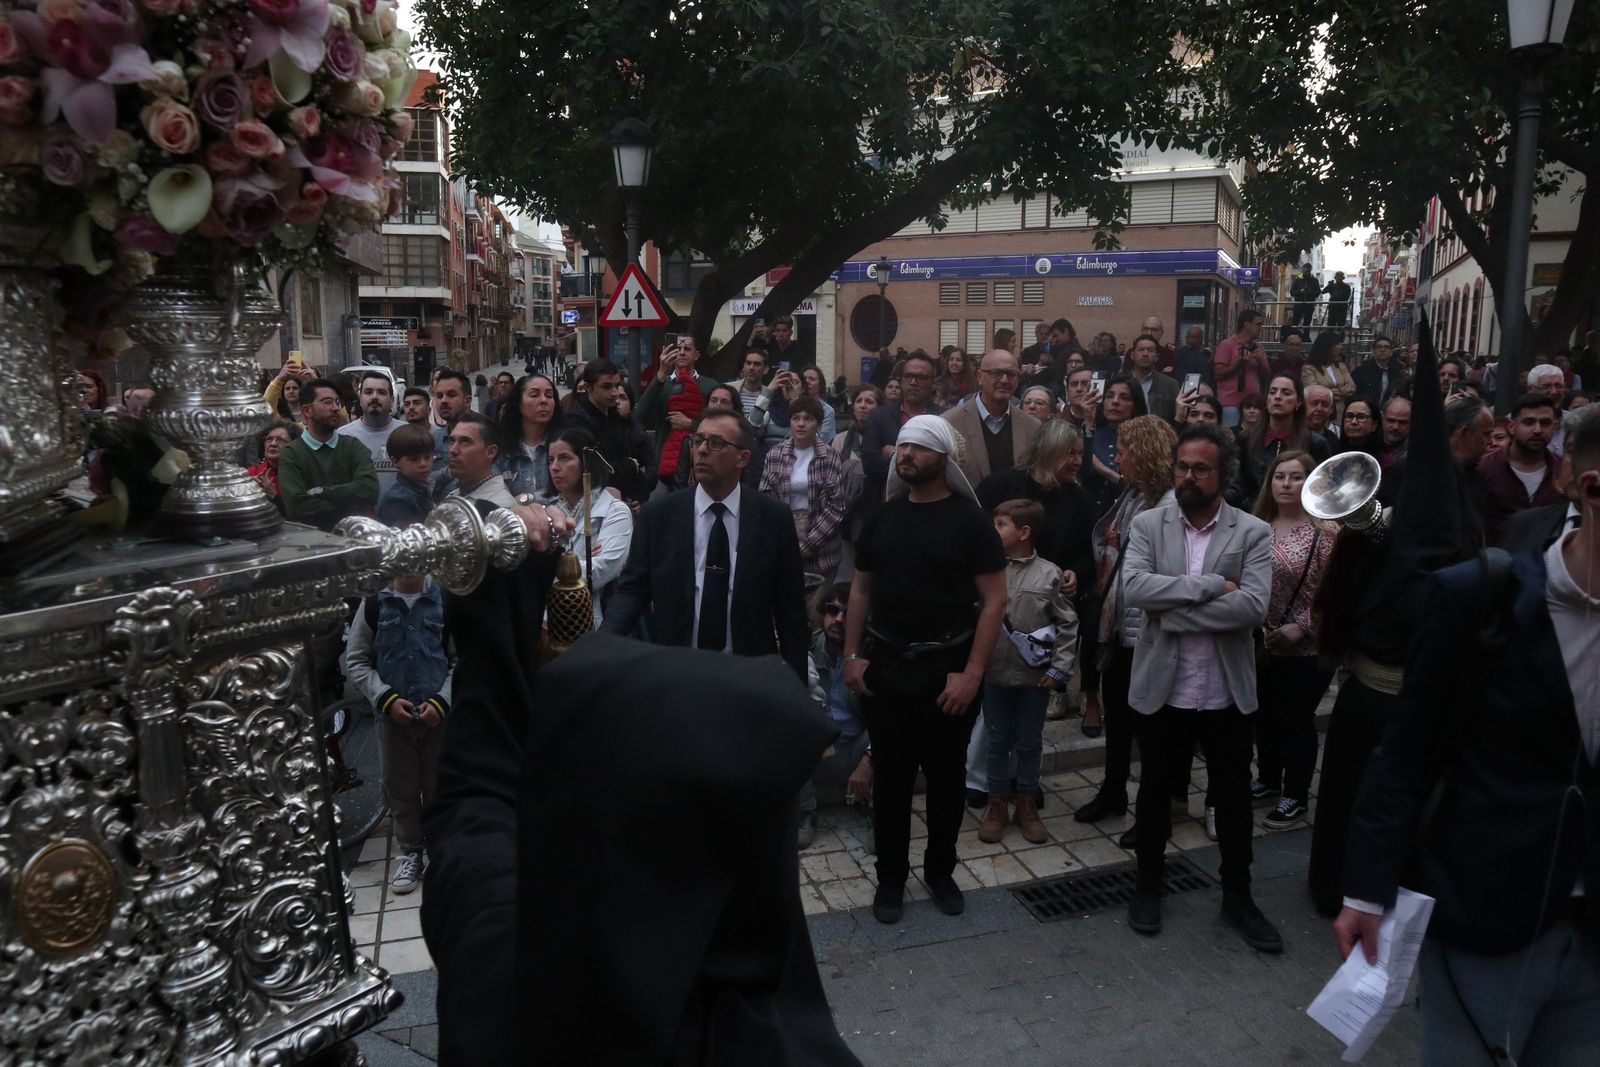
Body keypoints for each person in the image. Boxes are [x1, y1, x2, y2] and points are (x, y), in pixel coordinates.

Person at [1335, 405, 1600, 1067]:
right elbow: (1406, 747)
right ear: (1589, 489)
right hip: (1487, 922)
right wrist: (1367, 889)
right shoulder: (1479, 596)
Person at [1121, 422, 1281, 952]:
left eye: (1200, 469)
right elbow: (1136, 590)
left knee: (1233, 799)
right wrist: (1212, 587)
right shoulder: (1148, 525)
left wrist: (1174, 611)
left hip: (1224, 691)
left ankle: (1239, 896)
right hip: (1163, 687)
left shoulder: (1253, 531)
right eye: (1182, 467)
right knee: (1154, 795)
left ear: (1223, 475)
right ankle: (1148, 887)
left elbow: (1254, 607)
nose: (1188, 476)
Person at [842, 415, 1006, 924]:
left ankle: (940, 871)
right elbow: (861, 589)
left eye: (918, 448)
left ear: (942, 458)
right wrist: (851, 657)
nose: (905, 455)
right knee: (890, 780)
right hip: (886, 668)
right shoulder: (884, 517)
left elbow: (995, 600)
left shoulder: (969, 521)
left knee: (945, 779)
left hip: (947, 671)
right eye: (903, 447)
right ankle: (890, 878)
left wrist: (972, 674)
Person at [603, 409, 810, 681]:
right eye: (697, 440)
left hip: (749, 675)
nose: (701, 450)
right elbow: (633, 589)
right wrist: (603, 643)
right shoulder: (660, 516)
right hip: (676, 671)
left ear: (743, 458)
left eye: (716, 443)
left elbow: (790, 611)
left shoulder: (773, 518)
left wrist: (794, 688)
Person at [1074, 415, 1178, 806]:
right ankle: (1113, 791)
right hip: (1118, 624)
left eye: (1126, 450)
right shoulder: (1131, 494)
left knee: (1148, 727)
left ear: (1147, 453)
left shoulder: (1168, 506)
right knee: (1117, 717)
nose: (1118, 459)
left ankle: (1155, 808)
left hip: (1144, 631)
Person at [342, 571, 453, 895]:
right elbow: (357, 660)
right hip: (392, 720)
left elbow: (460, 660)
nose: (409, 568)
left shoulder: (443, 600)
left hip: (438, 718)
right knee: (400, 788)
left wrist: (442, 700)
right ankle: (411, 852)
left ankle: (439, 849)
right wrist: (385, 699)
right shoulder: (376, 603)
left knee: (438, 785)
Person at [976, 498, 1078, 847]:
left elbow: (1067, 624)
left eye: (1000, 525)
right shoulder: (987, 570)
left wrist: (1060, 669)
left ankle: (1026, 801)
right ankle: (996, 803)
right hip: (994, 674)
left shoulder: (1050, 574)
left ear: (1024, 532)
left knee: (1030, 740)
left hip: (1034, 678)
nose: (994, 531)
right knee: (996, 738)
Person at [1249, 451, 1336, 832]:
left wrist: (1303, 626)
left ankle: (1296, 794)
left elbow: (1334, 594)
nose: (1286, 483)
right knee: (1264, 716)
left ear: (1311, 483)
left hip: (1308, 648)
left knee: (1296, 720)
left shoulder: (1326, 534)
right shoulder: (1255, 527)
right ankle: (1268, 779)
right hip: (1261, 643)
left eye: (1296, 477)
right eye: (1279, 476)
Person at [801, 587, 874, 850]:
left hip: (855, 747)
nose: (839, 620)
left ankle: (876, 812)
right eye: (833, 611)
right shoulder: (806, 647)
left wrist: (868, 760)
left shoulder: (870, 655)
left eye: (847, 613)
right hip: (817, 749)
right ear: (823, 614)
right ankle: (806, 812)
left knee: (892, 733)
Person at [542, 427, 634, 628]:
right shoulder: (548, 510)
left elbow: (599, 572)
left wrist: (546, 565)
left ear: (586, 462)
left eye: (565, 458)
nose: (555, 467)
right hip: (547, 623)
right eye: (551, 460)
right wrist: (579, 562)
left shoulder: (615, 512)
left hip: (595, 623)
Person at [759, 395, 849, 596]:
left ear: (818, 424)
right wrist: (784, 541)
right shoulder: (775, 454)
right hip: (784, 538)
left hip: (822, 545)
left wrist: (807, 544)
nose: (801, 424)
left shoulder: (829, 455)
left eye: (808, 419)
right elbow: (765, 499)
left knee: (815, 611)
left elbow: (836, 506)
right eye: (796, 418)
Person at [278, 378, 378, 531]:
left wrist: (322, 491)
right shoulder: (292, 453)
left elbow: (370, 490)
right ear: (307, 410)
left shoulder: (353, 446)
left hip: (354, 541)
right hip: (313, 543)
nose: (336, 408)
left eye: (337, 402)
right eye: (327, 402)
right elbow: (297, 507)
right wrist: (352, 504)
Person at [942, 349, 1041, 489]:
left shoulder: (1033, 427)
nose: (1005, 380)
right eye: (996, 373)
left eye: (1011, 374)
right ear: (979, 376)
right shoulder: (949, 423)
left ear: (1018, 380)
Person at [1230, 374, 1331, 506]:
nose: (1277, 397)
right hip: (1251, 516)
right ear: (1266, 400)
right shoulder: (1246, 439)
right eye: (1272, 392)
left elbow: (1323, 490)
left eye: (1286, 393)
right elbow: (1235, 485)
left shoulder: (1315, 443)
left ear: (1299, 401)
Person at [861, 350, 943, 512]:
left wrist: (894, 453)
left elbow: (946, 468)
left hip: (932, 508)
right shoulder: (879, 416)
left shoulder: (944, 418)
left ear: (933, 384)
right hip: (886, 507)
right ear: (901, 380)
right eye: (908, 376)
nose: (913, 382)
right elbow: (870, 465)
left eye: (921, 377)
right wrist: (923, 466)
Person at [1478, 392, 1565, 544]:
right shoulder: (1485, 468)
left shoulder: (1564, 471)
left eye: (1545, 423)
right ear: (1512, 427)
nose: (1537, 430)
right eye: (1529, 422)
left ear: (1555, 427)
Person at [566, 359, 653, 505]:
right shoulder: (576, 423)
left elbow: (644, 461)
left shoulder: (618, 418)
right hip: (593, 506)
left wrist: (639, 495)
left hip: (625, 501)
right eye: (606, 387)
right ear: (588, 387)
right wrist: (628, 466)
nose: (614, 393)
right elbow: (592, 474)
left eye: (616, 385)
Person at [1085, 374, 1150, 514]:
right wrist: (1088, 422)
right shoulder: (1090, 433)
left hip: (1127, 515)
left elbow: (1144, 491)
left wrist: (1106, 471)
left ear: (1135, 404)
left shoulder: (1144, 441)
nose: (1115, 402)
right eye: (1109, 396)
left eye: (1124, 397)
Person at [495, 373, 562, 498]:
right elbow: (495, 498)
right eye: (534, 395)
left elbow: (572, 494)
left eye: (549, 395)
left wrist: (527, 499)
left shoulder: (565, 445)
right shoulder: (500, 449)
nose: (543, 401)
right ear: (518, 403)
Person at [335, 370, 400, 494]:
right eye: (368, 392)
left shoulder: (406, 432)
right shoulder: (342, 436)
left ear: (391, 400)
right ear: (360, 398)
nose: (374, 397)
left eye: (381, 392)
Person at [445, 411, 517, 509]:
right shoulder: (452, 497)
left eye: (465, 441)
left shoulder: (501, 507)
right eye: (452, 441)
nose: (453, 450)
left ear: (490, 452)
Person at [1213, 308, 1269, 427]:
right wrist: (1238, 363)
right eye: (1258, 324)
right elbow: (1218, 373)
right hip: (1230, 403)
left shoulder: (1258, 347)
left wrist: (1260, 361)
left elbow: (1267, 375)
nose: (1261, 328)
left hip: (1253, 404)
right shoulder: (1227, 345)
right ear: (1247, 325)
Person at [377, 422, 437, 528]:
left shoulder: (424, 488)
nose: (423, 464)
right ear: (395, 462)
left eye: (427, 457)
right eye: (414, 459)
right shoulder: (397, 501)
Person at [1125, 333, 1180, 421]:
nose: (1145, 354)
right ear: (1132, 355)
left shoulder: (1170, 385)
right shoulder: (1121, 383)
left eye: (1150, 350)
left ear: (1157, 357)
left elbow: (1176, 418)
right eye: (1141, 349)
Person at [430, 369, 475, 476]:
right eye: (439, 396)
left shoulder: (486, 437)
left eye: (451, 395)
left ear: (467, 401)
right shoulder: (435, 439)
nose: (444, 401)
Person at [1301, 332, 1356, 416]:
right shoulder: (1309, 368)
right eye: (1337, 344)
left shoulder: (1341, 366)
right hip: (1319, 413)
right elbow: (1315, 393)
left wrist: (1329, 391)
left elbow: (1352, 388)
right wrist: (1342, 392)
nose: (1341, 347)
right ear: (1327, 346)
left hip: (1340, 414)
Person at [247, 420, 295, 513]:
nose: (273, 444)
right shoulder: (252, 474)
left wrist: (275, 496)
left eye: (280, 440)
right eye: (269, 439)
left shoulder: (303, 474)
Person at [832, 385, 881, 463]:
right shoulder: (840, 440)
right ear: (853, 408)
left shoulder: (886, 439)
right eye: (858, 401)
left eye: (869, 402)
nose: (862, 406)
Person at [1353, 335, 1402, 407]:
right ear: (1373, 352)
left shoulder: (1397, 372)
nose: (1382, 350)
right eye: (1379, 347)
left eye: (1386, 347)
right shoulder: (1360, 372)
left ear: (1391, 352)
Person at [1174, 325, 1214, 391]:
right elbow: (1205, 383)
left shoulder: (1175, 354)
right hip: (1192, 395)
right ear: (1201, 339)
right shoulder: (1201, 359)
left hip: (1175, 394)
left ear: (1186, 338)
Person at [1377, 394, 1411, 467]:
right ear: (1382, 420)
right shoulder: (1369, 445)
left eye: (1403, 422)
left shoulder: (1416, 454)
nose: (1396, 427)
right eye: (1391, 421)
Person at [1290, 263, 1320, 328]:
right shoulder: (1297, 279)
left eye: (1308, 269)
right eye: (1305, 268)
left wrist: (1311, 292)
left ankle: (1305, 337)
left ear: (1310, 270)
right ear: (1303, 269)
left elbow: (1318, 292)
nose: (1306, 270)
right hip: (1298, 305)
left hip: (1309, 305)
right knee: (1295, 323)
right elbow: (1292, 292)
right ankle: (1293, 336)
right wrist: (1300, 291)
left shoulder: (1314, 280)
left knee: (1307, 325)